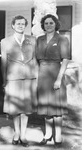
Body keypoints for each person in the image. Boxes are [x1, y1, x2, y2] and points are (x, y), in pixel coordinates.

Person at [1, 15, 37, 147]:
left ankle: (23, 135)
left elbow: (35, 60)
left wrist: (36, 78)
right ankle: (16, 133)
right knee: (15, 108)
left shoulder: (32, 39)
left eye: (23, 24)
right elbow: (3, 62)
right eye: (18, 24)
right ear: (13, 25)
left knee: (26, 109)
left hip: (29, 78)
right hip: (13, 78)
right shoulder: (5, 41)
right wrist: (4, 80)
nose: (21, 26)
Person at [36, 14, 71, 145]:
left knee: (57, 108)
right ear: (43, 25)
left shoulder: (62, 39)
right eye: (46, 23)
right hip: (42, 75)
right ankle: (48, 134)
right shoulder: (39, 39)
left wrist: (58, 79)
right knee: (46, 108)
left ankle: (58, 136)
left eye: (51, 23)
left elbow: (66, 60)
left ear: (56, 24)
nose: (49, 25)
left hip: (56, 74)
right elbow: (36, 60)